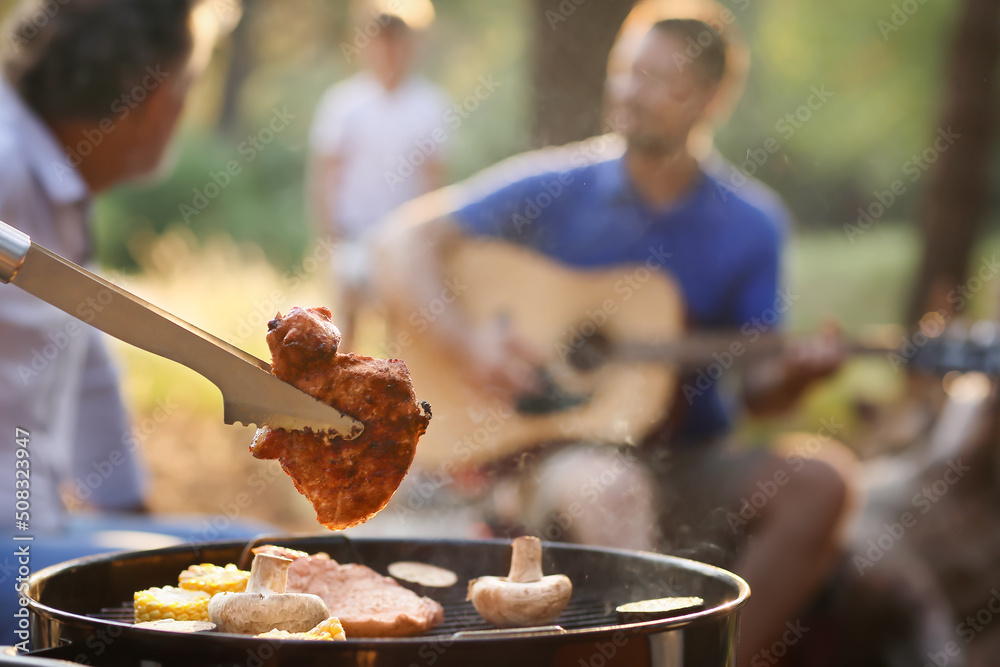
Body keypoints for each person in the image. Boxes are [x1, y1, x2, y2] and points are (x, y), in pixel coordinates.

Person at [374, 17, 854, 667]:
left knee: (824, 480)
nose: (631, 89)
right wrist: (469, 346)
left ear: (712, 98)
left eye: (659, 78)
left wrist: (798, 375)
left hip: (691, 458)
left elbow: (762, 392)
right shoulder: (556, 186)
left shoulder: (752, 224)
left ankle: (719, 658)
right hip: (559, 459)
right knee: (611, 488)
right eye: (626, 69)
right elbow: (403, 241)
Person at [0, 0, 270, 640]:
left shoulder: (55, 190)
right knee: (248, 598)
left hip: (41, 527)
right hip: (12, 543)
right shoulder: (7, 161)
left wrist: (131, 514)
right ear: (158, 98)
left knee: (257, 557)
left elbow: (85, 364)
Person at [308, 6, 449, 350]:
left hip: (403, 238)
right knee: (343, 329)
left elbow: (434, 182)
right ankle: (339, 402)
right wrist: (328, 237)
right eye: (381, 43)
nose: (389, 52)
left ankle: (391, 401)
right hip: (352, 234)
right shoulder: (343, 104)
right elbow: (326, 175)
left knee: (401, 333)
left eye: (396, 43)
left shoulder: (430, 106)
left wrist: (429, 244)